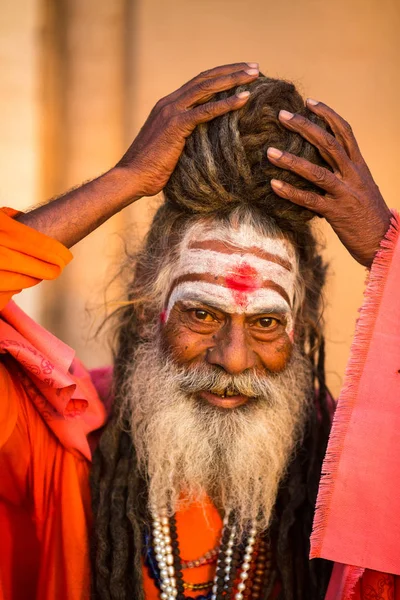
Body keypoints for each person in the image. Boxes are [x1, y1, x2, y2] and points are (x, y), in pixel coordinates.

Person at [0, 63, 397, 600]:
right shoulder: (62, 440)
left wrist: (385, 248)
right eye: (203, 315)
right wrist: (124, 181)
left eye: (264, 323)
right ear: (149, 310)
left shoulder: (349, 465)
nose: (233, 360)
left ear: (300, 330)